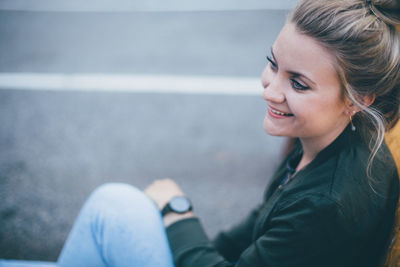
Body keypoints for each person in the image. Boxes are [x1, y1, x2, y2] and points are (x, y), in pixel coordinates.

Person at [1, 0, 400, 266]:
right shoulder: (336, 138)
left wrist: (177, 213)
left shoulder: (328, 204)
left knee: (112, 209)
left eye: (298, 83)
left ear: (357, 98)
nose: (269, 88)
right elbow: (261, 224)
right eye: (272, 63)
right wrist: (194, 244)